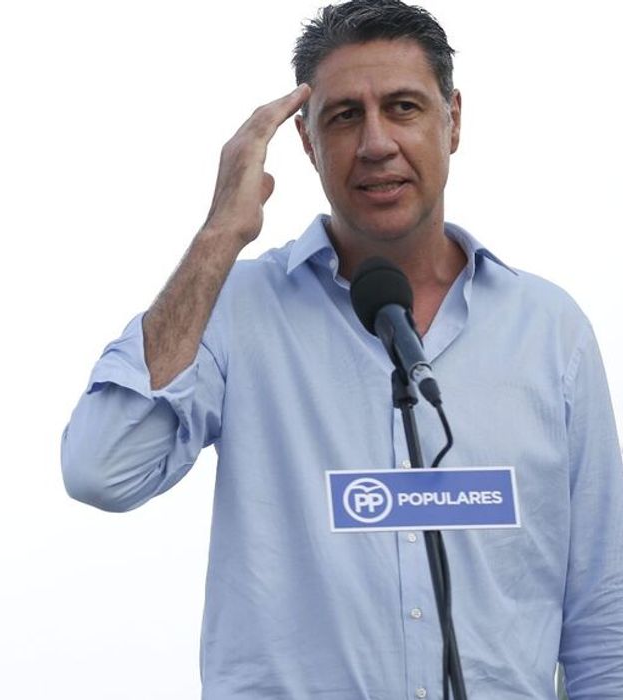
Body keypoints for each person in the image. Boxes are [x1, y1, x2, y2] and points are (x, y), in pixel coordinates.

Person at [61, 1, 623, 697]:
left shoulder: (550, 332)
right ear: (305, 142)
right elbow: (102, 468)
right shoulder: (234, 309)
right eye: (345, 116)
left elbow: (604, 618)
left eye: (404, 108)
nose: (376, 143)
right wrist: (219, 235)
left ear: (453, 120)